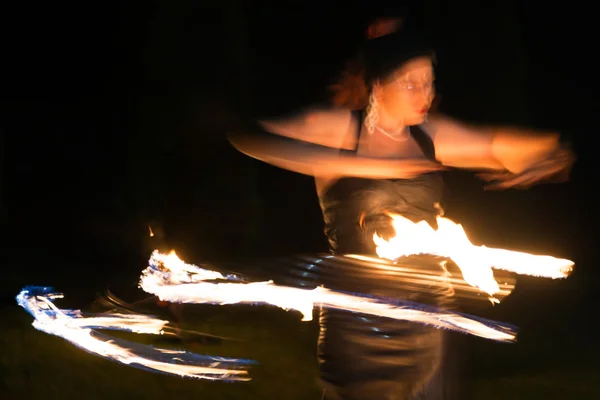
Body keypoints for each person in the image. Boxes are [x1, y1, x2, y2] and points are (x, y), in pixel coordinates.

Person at [228, 18, 574, 400]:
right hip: (357, 316)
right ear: (377, 85)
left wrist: (548, 151)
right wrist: (363, 166)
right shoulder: (340, 131)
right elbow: (247, 135)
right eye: (411, 83)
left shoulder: (431, 137)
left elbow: (496, 146)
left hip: (428, 313)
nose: (424, 93)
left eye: (429, 82)